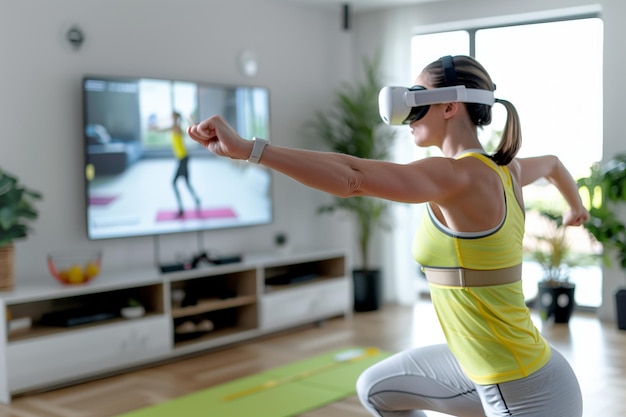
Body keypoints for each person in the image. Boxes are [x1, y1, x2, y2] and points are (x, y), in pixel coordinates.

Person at [187, 55, 588, 417]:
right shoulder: (508, 170)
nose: (410, 111)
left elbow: (353, 178)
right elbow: (553, 164)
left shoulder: (459, 175)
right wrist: (574, 206)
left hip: (523, 393)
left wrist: (248, 150)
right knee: (376, 388)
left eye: (418, 97)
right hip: (495, 368)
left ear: (450, 106)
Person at [153, 111, 201, 217]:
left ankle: (181, 209)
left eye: (172, 117)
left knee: (174, 183)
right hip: (183, 158)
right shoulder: (176, 127)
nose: (171, 118)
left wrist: (156, 127)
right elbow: (163, 129)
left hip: (183, 158)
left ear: (175, 118)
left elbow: (166, 129)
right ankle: (196, 200)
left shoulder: (176, 128)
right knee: (186, 182)